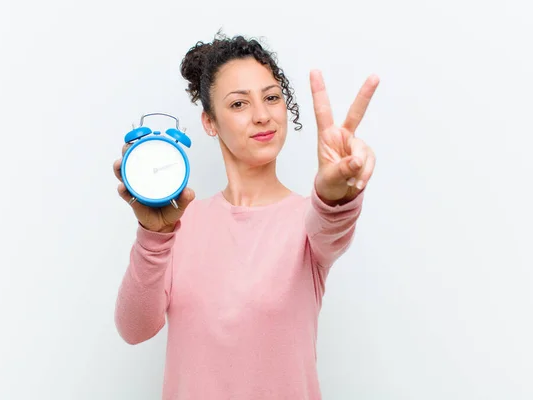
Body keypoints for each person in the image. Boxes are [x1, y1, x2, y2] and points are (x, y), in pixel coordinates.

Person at [112, 32, 379, 399]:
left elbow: (332, 225)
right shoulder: (179, 226)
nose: (262, 115)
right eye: (239, 104)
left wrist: (336, 195)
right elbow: (134, 328)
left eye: (271, 97)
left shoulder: (308, 220)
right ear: (210, 122)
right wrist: (152, 236)